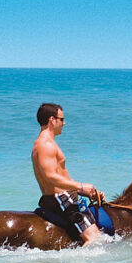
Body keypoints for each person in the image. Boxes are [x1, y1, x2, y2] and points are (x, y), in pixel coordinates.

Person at [32, 103, 105, 246]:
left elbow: (61, 177)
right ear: (52, 120)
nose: (64, 123)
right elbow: (50, 176)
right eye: (61, 119)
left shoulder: (46, 143)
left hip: (62, 196)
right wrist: (81, 185)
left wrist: (85, 191)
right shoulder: (45, 144)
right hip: (61, 198)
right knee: (95, 238)